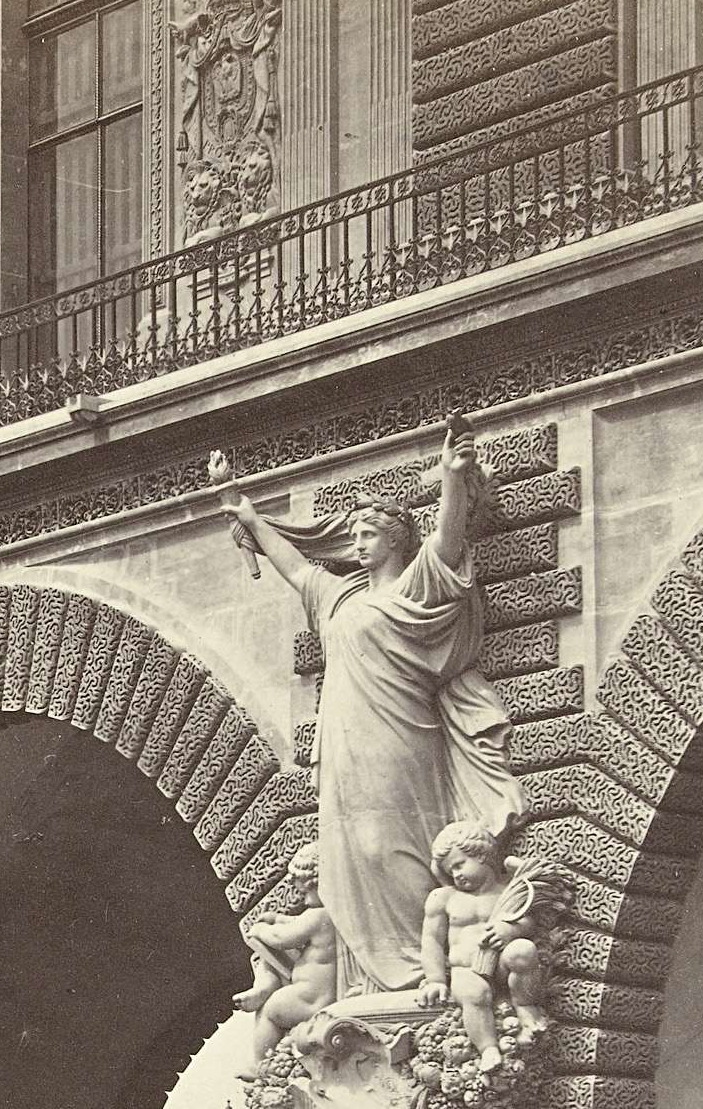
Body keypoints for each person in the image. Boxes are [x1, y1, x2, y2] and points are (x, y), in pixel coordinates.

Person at [228, 422, 526, 992]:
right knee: (352, 847)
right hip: (341, 743)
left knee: (394, 842)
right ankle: (366, 979)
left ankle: (420, 966)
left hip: (401, 736)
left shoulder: (415, 587)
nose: (359, 544)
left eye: (370, 535)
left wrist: (453, 480)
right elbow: (297, 569)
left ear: (395, 541)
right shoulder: (337, 597)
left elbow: (447, 542)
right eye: (356, 535)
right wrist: (250, 517)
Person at [418, 819, 552, 1070]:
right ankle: (488, 1048)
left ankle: (525, 1006)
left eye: (459, 865)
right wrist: (435, 979)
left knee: (523, 951)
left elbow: (527, 922)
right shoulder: (444, 897)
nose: (455, 875)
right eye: (450, 871)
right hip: (465, 970)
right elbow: (432, 941)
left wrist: (509, 930)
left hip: (500, 966)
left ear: (481, 854)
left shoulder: (507, 891)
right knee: (475, 994)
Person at [234, 844, 337, 1076]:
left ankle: (262, 1063)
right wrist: (278, 918)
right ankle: (263, 987)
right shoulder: (333, 914)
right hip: (312, 991)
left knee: (270, 1011)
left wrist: (261, 930)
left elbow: (282, 938)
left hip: (311, 997)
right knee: (267, 960)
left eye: (306, 893)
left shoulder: (318, 915)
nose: (305, 901)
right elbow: (295, 925)